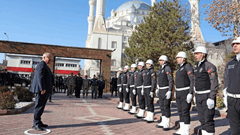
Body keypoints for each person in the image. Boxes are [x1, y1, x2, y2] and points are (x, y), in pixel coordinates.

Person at [194, 46, 218, 135]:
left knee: (208, 119)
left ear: (203, 55)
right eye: (195, 54)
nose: (195, 55)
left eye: (197, 54)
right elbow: (195, 80)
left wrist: (211, 97)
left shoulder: (209, 66)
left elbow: (214, 82)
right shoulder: (196, 66)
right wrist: (194, 94)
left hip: (207, 95)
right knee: (202, 119)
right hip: (199, 95)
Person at [30, 52, 53, 131]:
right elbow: (40, 77)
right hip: (41, 90)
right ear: (44, 57)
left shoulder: (45, 65)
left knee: (41, 106)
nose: (50, 60)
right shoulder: (41, 64)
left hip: (44, 90)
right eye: (49, 58)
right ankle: (35, 124)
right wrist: (42, 88)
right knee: (39, 106)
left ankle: (38, 121)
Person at [172, 52, 194, 135]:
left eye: (178, 57)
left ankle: (187, 131)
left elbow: (192, 80)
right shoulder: (179, 68)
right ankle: (182, 129)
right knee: (180, 111)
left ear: (183, 58)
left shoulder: (187, 67)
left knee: (185, 111)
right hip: (179, 92)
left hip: (185, 92)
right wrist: (175, 91)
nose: (177, 59)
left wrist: (190, 93)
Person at [223, 37, 240, 135]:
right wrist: (225, 96)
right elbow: (226, 79)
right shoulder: (230, 63)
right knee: (234, 129)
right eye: (233, 44)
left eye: (237, 44)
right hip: (232, 101)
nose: (234, 46)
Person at [155, 55, 173, 130]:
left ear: (164, 61)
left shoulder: (167, 68)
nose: (159, 62)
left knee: (166, 106)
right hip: (161, 89)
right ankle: (163, 121)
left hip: (166, 89)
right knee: (162, 106)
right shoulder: (160, 69)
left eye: (161, 60)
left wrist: (169, 90)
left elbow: (170, 80)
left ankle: (167, 123)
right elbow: (159, 80)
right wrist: (157, 88)